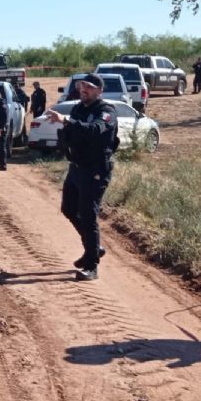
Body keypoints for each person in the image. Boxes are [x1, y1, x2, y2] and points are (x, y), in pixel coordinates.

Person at [46, 73, 118, 281]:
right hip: (76, 168)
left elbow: (95, 130)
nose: (83, 90)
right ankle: (93, 248)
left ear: (99, 90)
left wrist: (68, 122)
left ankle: (91, 265)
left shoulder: (106, 111)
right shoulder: (78, 108)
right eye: (81, 86)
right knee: (68, 209)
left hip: (95, 170)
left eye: (88, 87)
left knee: (88, 215)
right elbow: (70, 134)